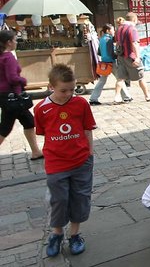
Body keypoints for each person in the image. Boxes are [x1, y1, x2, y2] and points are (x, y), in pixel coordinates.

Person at [33, 64, 97, 257]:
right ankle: (57, 234)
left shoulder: (81, 104)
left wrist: (90, 154)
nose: (68, 94)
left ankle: (75, 234)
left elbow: (87, 130)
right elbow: (44, 132)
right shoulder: (41, 109)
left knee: (80, 198)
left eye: (72, 89)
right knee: (59, 200)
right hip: (56, 164)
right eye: (63, 90)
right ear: (51, 87)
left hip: (81, 161)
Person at [0, 30, 43, 160]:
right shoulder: (8, 57)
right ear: (8, 42)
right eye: (15, 40)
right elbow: (13, 78)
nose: (16, 42)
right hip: (13, 96)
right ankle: (36, 151)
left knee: (29, 121)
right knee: (5, 127)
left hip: (5, 96)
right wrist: (23, 80)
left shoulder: (2, 56)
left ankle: (36, 151)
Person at [114, 12, 150, 103]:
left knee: (120, 78)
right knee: (141, 76)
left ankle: (117, 97)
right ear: (134, 19)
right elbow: (134, 43)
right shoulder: (132, 29)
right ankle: (147, 95)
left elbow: (117, 43)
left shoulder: (119, 28)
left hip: (121, 56)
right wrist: (137, 57)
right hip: (131, 56)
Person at [88, 24, 132, 105]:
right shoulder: (110, 39)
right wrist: (118, 55)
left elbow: (99, 52)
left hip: (104, 63)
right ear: (108, 30)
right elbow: (111, 53)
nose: (114, 31)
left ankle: (93, 99)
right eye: (112, 30)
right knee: (120, 79)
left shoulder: (101, 39)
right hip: (112, 62)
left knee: (102, 82)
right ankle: (126, 97)